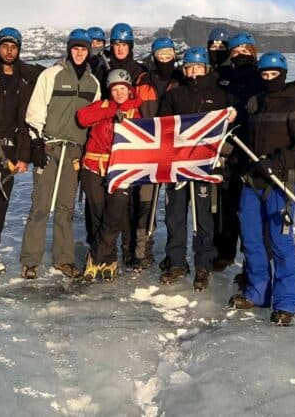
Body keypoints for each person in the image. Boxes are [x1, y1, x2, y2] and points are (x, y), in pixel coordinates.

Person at [228, 52, 295, 326]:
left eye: (273, 75)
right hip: (253, 181)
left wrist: (276, 163)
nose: (268, 79)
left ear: (284, 74)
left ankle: (285, 302)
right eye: (264, 75)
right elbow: (250, 140)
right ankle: (258, 292)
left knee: (280, 243)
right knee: (252, 239)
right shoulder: (258, 102)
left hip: (282, 183)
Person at [19, 29, 101, 279]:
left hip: (74, 150)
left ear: (89, 52)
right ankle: (31, 261)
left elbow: (95, 118)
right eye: (75, 48)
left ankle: (63, 260)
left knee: (65, 209)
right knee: (41, 206)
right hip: (50, 146)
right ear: (69, 49)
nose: (79, 53)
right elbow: (35, 110)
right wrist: (36, 143)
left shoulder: (93, 83)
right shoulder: (51, 74)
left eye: (83, 49)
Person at [157, 46, 235, 291]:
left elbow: (229, 131)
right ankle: (177, 262)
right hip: (177, 165)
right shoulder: (175, 95)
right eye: (189, 67)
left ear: (206, 68)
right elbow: (163, 127)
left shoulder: (220, 94)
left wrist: (229, 120)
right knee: (175, 215)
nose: (193, 72)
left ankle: (204, 263)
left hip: (205, 166)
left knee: (204, 217)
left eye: (197, 67)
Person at [0, 27, 42, 273]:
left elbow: (27, 120)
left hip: (10, 149)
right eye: (5, 46)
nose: (9, 51)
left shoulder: (25, 78)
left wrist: (24, 156)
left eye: (13, 47)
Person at [77, 69, 143, 282]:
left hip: (120, 169)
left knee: (114, 216)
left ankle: (95, 256)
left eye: (123, 89)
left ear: (129, 90)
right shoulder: (102, 106)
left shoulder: (135, 112)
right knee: (97, 214)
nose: (120, 93)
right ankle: (110, 258)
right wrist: (110, 112)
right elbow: (82, 118)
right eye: (116, 89)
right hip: (93, 166)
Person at [129, 36, 183, 271]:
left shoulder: (182, 81)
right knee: (145, 203)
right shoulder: (142, 81)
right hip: (149, 151)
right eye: (160, 55)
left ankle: (174, 255)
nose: (164, 59)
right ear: (153, 56)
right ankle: (142, 250)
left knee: (174, 207)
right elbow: (132, 107)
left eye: (168, 55)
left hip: (175, 152)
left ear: (174, 55)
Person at [213, 32, 264, 274]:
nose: (241, 55)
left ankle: (251, 265)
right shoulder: (225, 79)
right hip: (230, 150)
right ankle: (225, 252)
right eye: (236, 52)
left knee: (252, 214)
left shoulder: (262, 78)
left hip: (254, 151)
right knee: (228, 205)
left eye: (245, 51)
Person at [92, 23, 149, 96]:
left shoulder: (140, 70)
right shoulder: (102, 69)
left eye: (124, 45)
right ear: (112, 47)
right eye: (117, 45)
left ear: (130, 47)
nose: (120, 49)